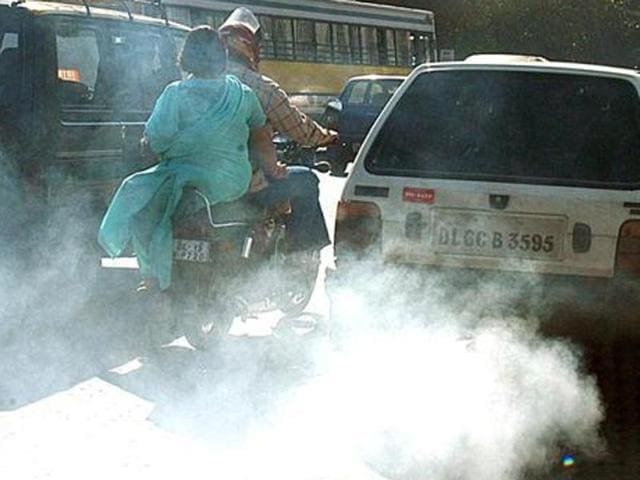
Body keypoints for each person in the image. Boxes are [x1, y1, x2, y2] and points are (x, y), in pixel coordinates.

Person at [98, 26, 279, 291]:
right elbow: (261, 134)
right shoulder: (241, 94)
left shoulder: (175, 93)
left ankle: (150, 276)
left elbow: (157, 140)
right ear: (222, 56)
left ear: (186, 57)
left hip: (181, 175)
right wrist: (273, 167)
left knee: (141, 199)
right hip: (230, 181)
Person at [219, 8, 335, 255]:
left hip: (197, 184)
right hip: (242, 183)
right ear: (250, 46)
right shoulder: (257, 88)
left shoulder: (189, 86)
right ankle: (300, 255)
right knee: (306, 179)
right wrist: (325, 136)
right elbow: (296, 129)